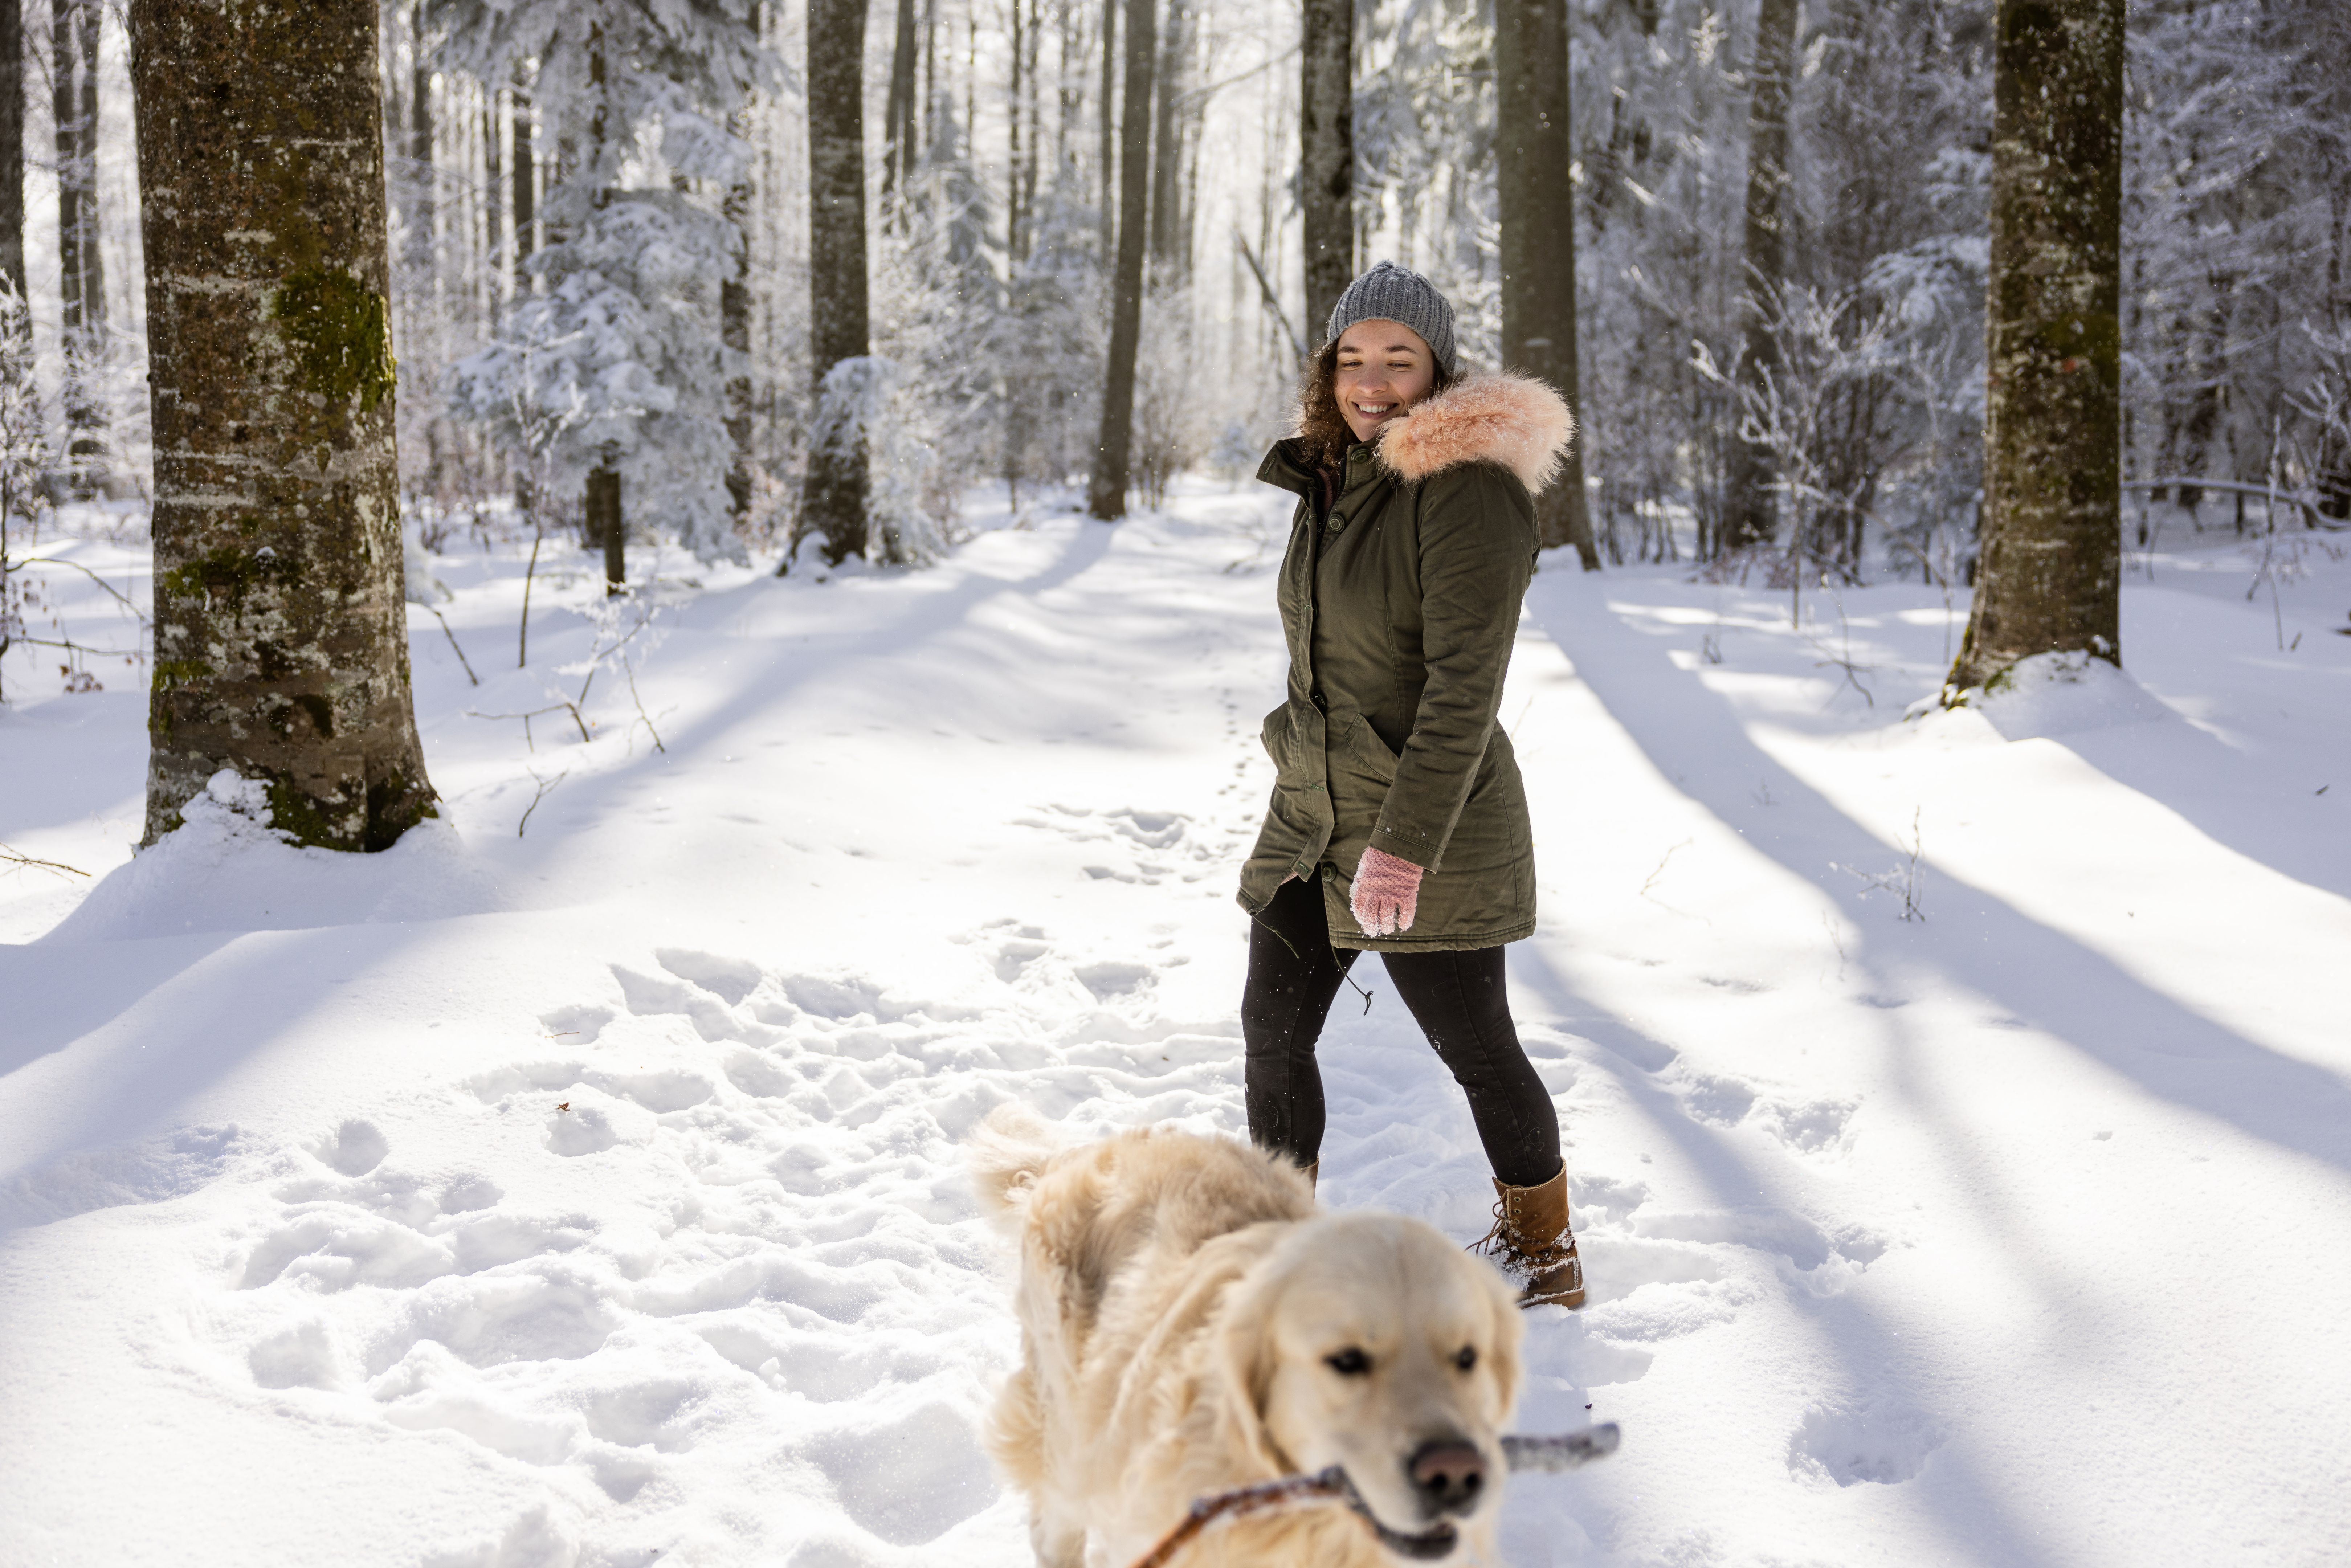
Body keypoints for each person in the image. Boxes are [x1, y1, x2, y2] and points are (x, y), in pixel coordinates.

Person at [1237, 261, 1585, 1309]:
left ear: (1438, 366)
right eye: (1354, 358)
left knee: (1478, 1048)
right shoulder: (1337, 480)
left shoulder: (1464, 486)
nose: (1374, 380)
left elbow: (1463, 691)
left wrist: (1403, 843)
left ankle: (1547, 1253)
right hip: (1316, 817)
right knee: (1272, 1033)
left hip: (1427, 827)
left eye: (1400, 358)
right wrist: (1292, 743)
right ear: (1327, 371)